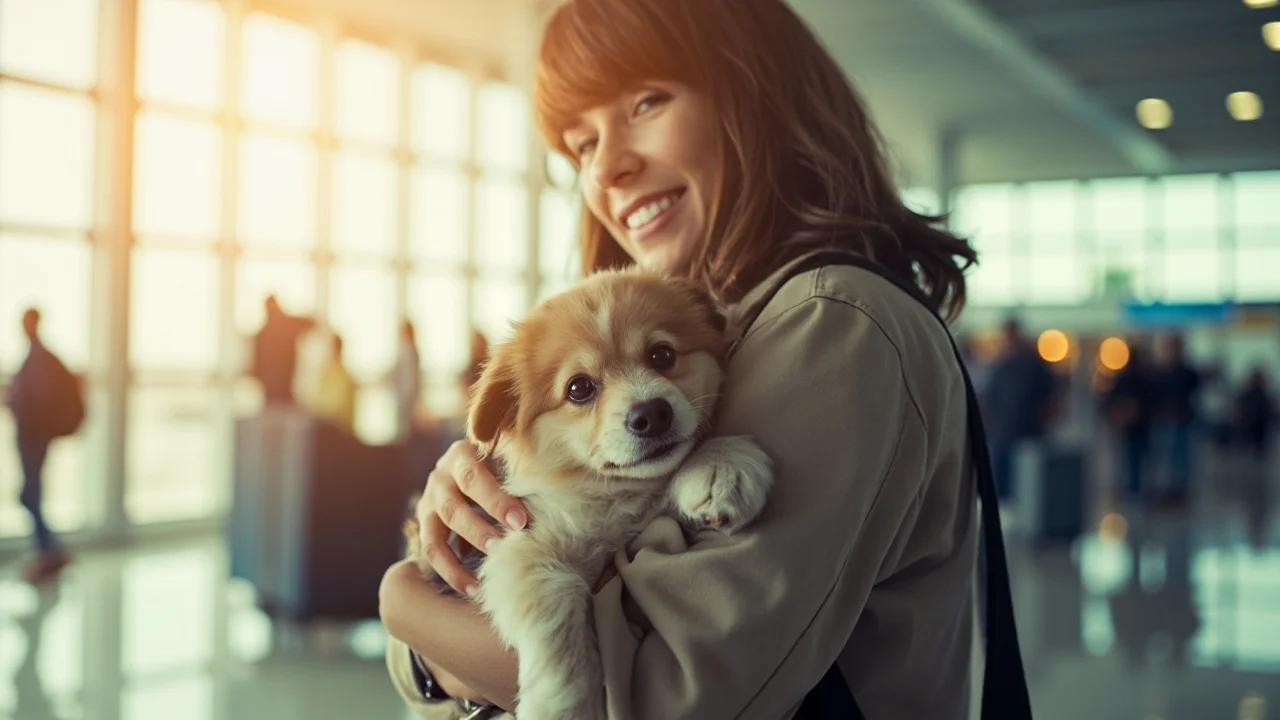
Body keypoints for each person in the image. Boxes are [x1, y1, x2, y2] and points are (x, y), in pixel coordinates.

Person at [379, 1, 993, 717]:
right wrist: (437, 602)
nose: (608, 165)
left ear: (754, 90)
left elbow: (664, 690)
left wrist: (410, 613)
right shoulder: (743, 319)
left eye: (646, 102)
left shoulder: (830, 321)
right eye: (581, 145)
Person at [4, 309, 76, 584]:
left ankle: (51, 550)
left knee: (29, 494)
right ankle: (48, 549)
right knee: (31, 494)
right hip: (33, 436)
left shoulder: (40, 358)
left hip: (34, 438)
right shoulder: (37, 356)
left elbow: (37, 401)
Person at [981, 318, 1057, 502]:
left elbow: (1050, 399)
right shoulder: (1000, 367)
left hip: (1027, 437)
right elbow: (989, 400)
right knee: (1002, 490)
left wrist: (1042, 422)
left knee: (1027, 490)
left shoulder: (1035, 367)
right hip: (1001, 437)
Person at [1150, 334, 1201, 508]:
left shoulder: (1186, 372)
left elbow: (1194, 388)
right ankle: (1166, 490)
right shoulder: (1161, 372)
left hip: (1183, 419)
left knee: (1182, 457)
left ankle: (1179, 491)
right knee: (1164, 457)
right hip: (1165, 420)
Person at [1104, 343, 1155, 501]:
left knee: (1135, 458)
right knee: (1136, 458)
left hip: (1140, 424)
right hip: (1135, 425)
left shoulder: (1135, 377)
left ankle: (1136, 488)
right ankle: (1135, 488)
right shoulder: (1138, 377)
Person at [250, 295, 315, 407]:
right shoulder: (264, 335)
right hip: (274, 395)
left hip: (279, 394)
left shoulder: (265, 334)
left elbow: (312, 322)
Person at [308, 333, 358, 433]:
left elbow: (333, 408)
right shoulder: (327, 372)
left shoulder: (342, 374)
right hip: (329, 428)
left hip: (339, 430)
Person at [391, 320, 423, 443]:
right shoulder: (407, 352)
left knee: (406, 436)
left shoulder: (410, 353)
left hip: (407, 400)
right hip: (404, 399)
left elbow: (411, 381)